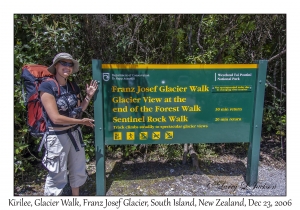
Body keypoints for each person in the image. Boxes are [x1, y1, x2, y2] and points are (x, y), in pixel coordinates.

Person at [38, 52, 98, 196]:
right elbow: (55, 118)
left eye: (70, 64)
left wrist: (88, 96)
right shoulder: (47, 87)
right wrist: (81, 122)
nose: (67, 67)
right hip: (57, 137)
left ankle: (75, 198)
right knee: (57, 174)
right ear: (56, 65)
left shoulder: (72, 86)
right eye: (63, 63)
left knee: (77, 169)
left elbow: (78, 111)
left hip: (74, 134)